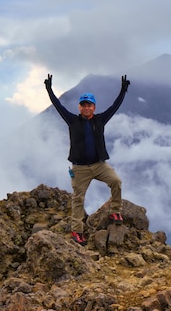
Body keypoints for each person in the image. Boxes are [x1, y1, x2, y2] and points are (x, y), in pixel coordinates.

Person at [44, 73, 130, 245]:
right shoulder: (72, 121)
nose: (86, 108)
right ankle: (77, 232)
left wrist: (123, 90)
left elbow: (115, 106)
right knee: (78, 199)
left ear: (94, 107)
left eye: (89, 105)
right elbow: (58, 105)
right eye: (83, 105)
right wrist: (49, 89)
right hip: (80, 169)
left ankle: (115, 211)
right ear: (79, 107)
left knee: (116, 181)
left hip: (99, 165)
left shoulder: (100, 120)